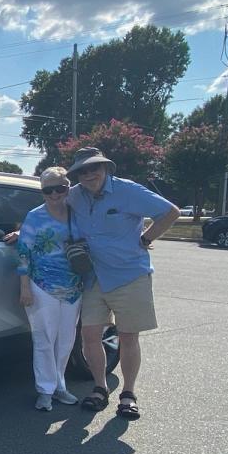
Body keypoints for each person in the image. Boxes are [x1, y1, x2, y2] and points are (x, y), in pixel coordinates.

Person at [64, 147, 179, 420]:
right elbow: (49, 212)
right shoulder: (74, 196)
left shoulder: (129, 191)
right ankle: (100, 387)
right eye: (83, 170)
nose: (89, 174)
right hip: (93, 277)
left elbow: (170, 212)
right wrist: (23, 229)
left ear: (106, 169)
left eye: (94, 168)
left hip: (129, 275)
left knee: (128, 337)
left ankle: (128, 394)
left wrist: (146, 239)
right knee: (89, 336)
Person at [16, 167, 82, 411]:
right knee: (44, 339)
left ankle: (59, 386)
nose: (54, 194)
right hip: (42, 285)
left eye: (60, 188)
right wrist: (25, 288)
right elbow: (23, 252)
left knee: (66, 341)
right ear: (42, 191)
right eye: (48, 190)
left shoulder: (77, 213)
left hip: (74, 286)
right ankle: (45, 390)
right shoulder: (35, 216)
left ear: (68, 187)